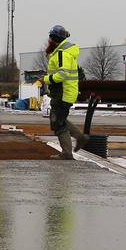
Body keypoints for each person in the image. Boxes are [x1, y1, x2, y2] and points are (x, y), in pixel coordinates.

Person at [43, 25, 87, 160]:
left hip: (64, 92)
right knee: (59, 119)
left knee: (58, 122)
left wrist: (46, 79)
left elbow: (62, 74)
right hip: (62, 92)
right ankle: (80, 137)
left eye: (50, 38)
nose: (49, 41)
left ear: (55, 39)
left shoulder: (63, 53)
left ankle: (67, 152)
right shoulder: (60, 51)